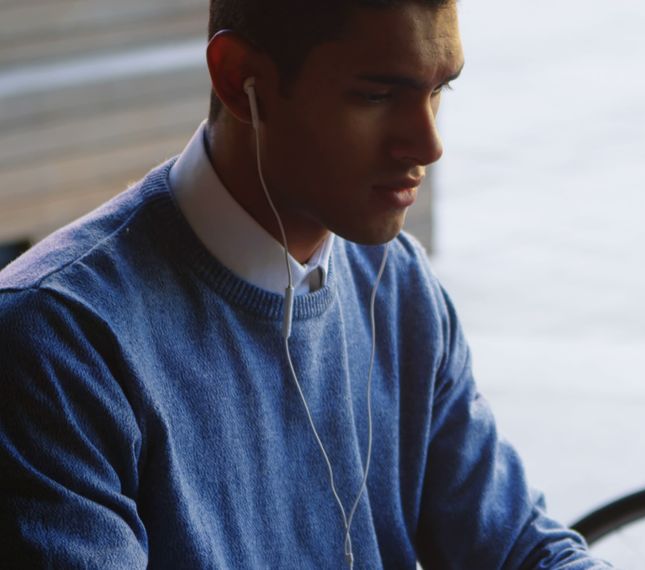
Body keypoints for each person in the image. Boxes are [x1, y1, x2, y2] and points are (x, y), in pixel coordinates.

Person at [0, 1, 610, 567]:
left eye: (439, 89)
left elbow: (518, 549)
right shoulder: (57, 341)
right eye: (376, 94)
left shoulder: (397, 285)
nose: (428, 143)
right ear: (239, 78)